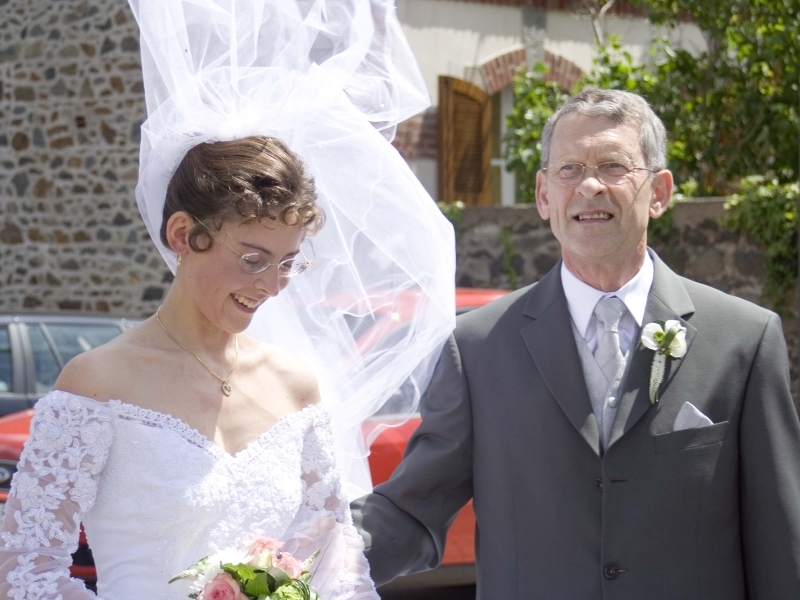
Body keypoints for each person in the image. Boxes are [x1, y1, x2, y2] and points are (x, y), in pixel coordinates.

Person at [0, 1, 456, 598]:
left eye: (289, 261)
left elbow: (336, 569)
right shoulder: (97, 383)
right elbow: (25, 572)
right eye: (252, 258)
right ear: (183, 235)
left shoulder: (297, 385)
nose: (271, 284)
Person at [351, 88, 800, 599]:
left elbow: (779, 540)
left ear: (658, 191)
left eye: (613, 166)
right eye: (568, 169)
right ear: (544, 195)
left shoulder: (745, 339)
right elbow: (413, 509)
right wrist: (293, 564)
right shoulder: (477, 348)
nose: (588, 185)